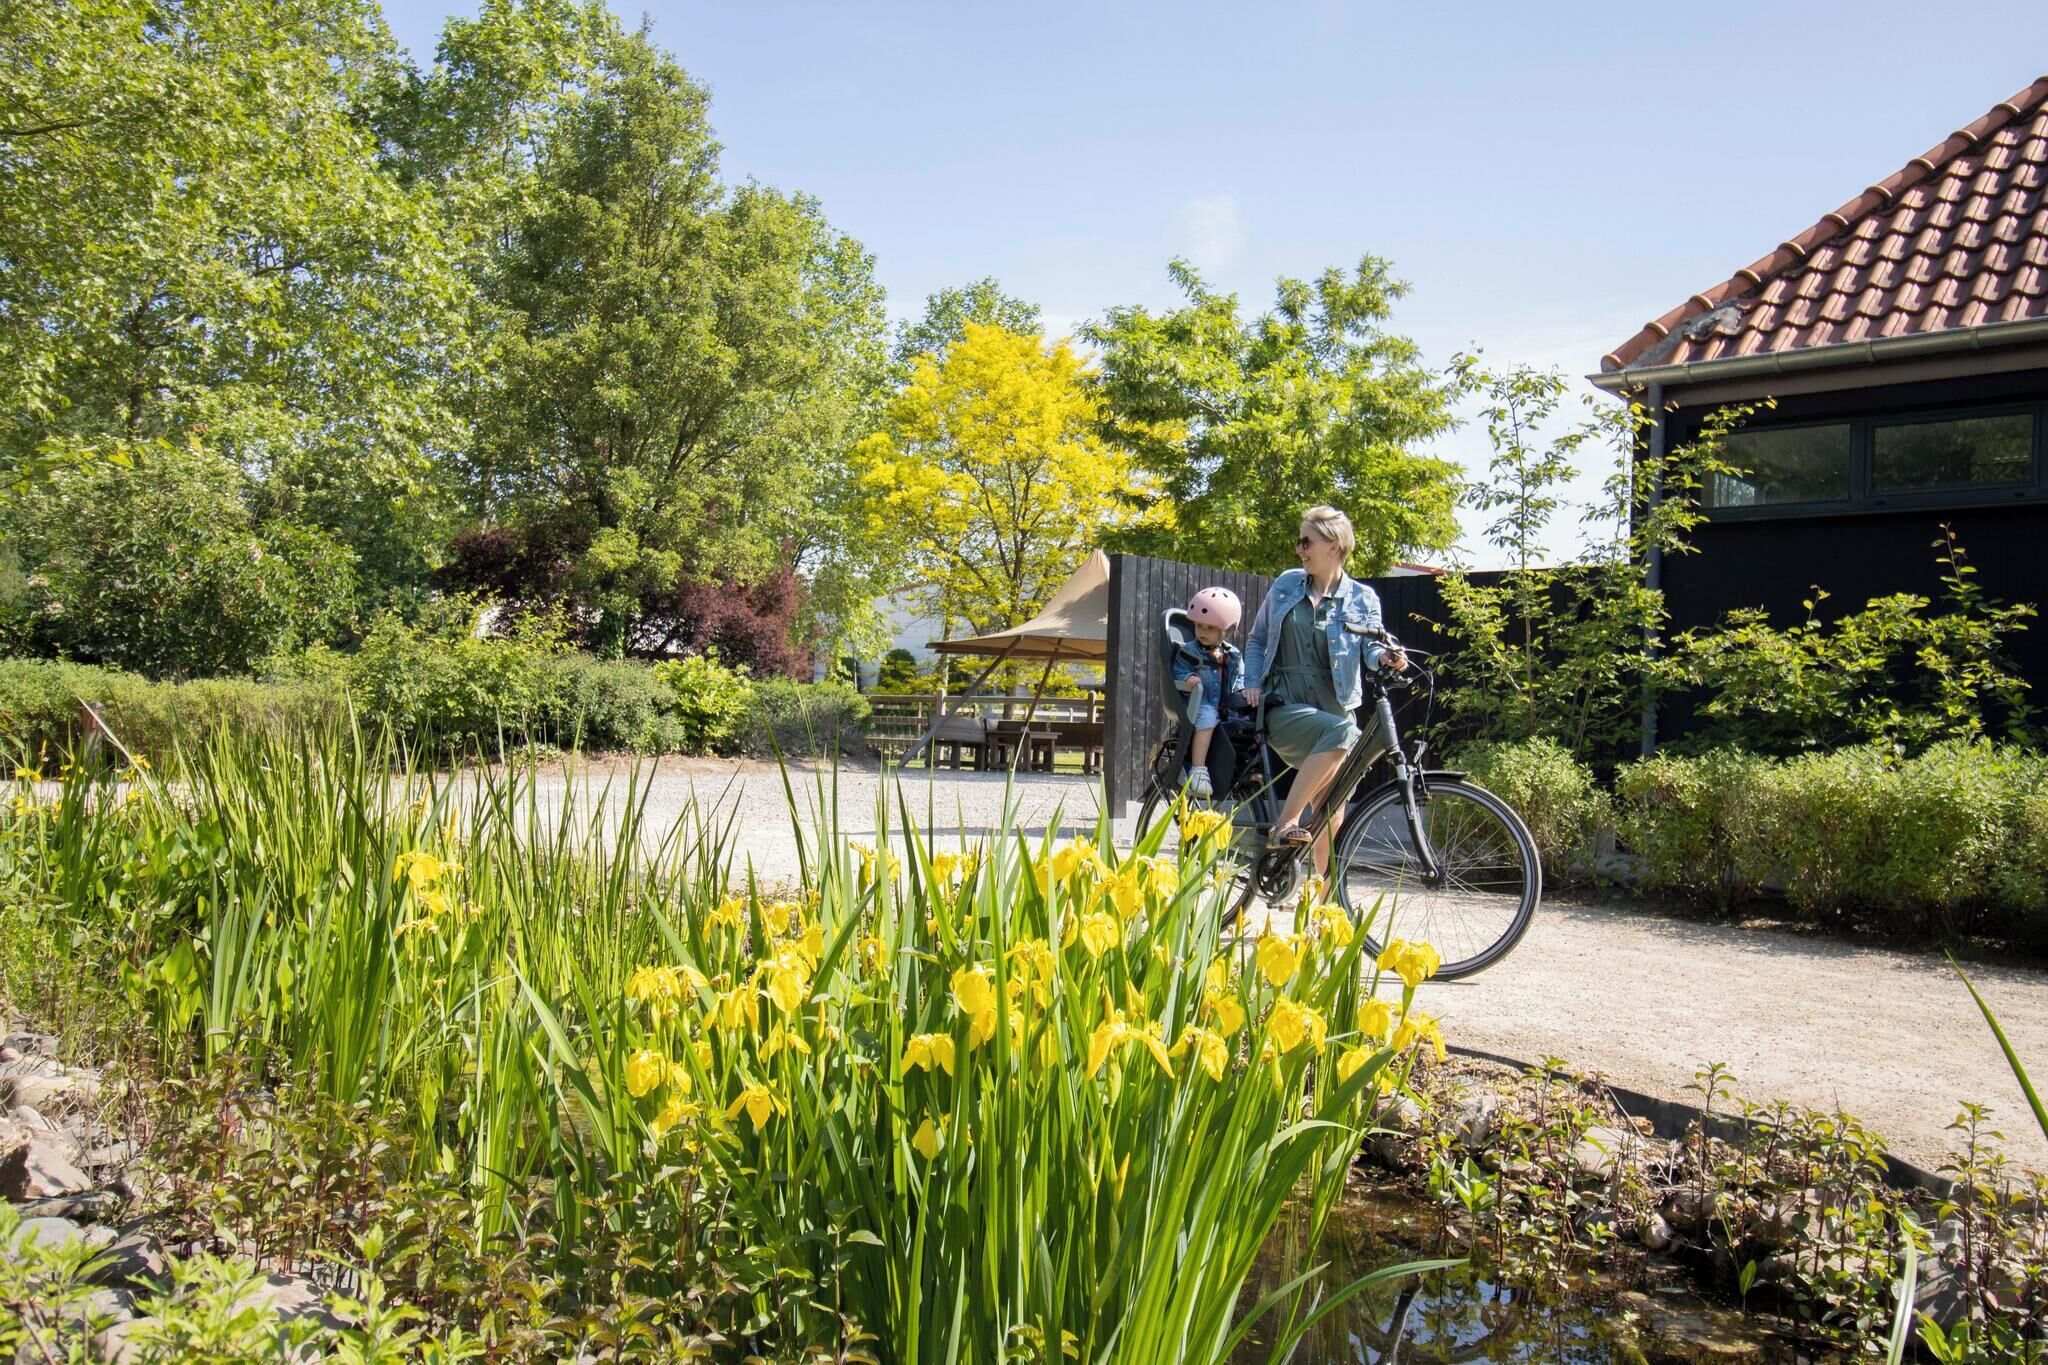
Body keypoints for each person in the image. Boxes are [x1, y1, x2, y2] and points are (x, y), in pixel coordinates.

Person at [1241, 506, 1406, 875]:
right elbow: (1258, 639)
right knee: (1346, 732)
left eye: (1306, 542)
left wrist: (1388, 658)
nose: (1300, 550)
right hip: (1285, 705)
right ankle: (1285, 824)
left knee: (1332, 813)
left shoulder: (1363, 599)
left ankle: (1322, 908)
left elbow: (1371, 648)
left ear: (1333, 545)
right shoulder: (1286, 584)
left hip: (1334, 709)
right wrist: (1250, 682)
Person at [1170, 586, 1244, 799]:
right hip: (1198, 704)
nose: (1202, 632)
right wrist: (1188, 679)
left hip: (1224, 706)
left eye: (1210, 628)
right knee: (1208, 715)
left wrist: (1244, 692)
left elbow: (1240, 678)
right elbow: (1179, 671)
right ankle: (1198, 769)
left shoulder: (1233, 654)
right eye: (1199, 626)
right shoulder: (1188, 651)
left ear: (1226, 630)